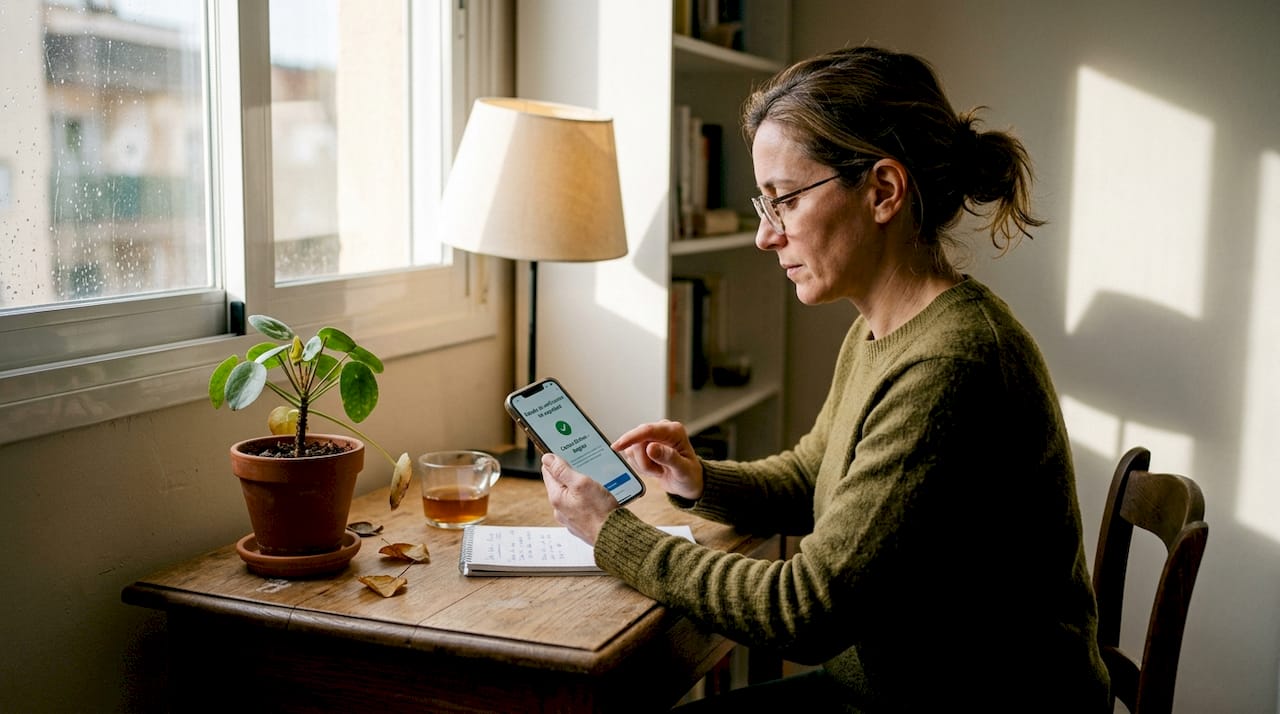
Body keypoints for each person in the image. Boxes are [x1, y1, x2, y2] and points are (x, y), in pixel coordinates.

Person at [540, 45, 1110, 712]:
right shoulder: (886, 327)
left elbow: (805, 612)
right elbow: (816, 474)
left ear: (883, 191)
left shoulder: (949, 366)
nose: (765, 235)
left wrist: (613, 534)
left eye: (784, 201)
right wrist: (699, 479)